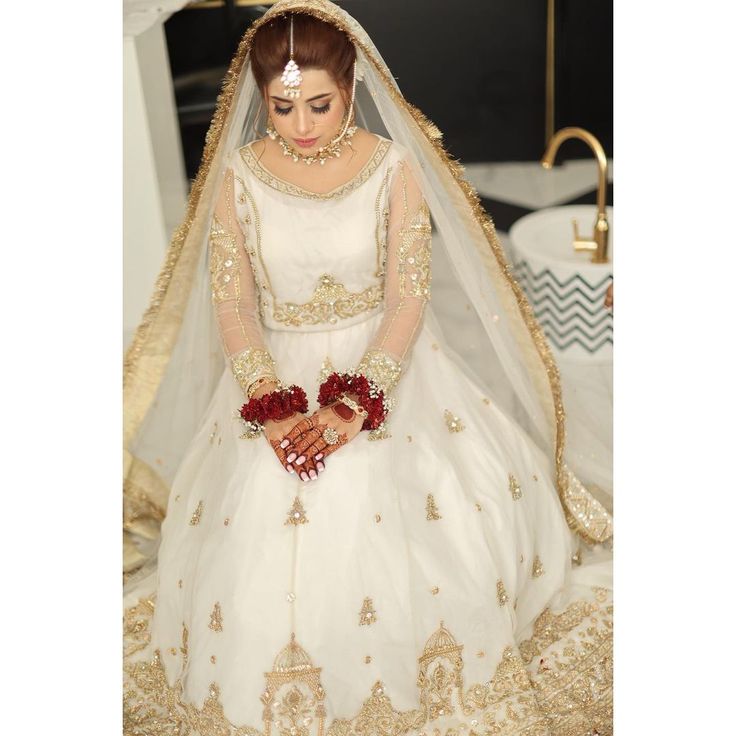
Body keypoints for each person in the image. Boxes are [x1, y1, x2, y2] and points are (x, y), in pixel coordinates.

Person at [123, 2, 613, 733]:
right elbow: (233, 307)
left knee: (406, 508)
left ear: (353, 85)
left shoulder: (392, 169)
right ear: (260, 101)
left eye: (319, 103)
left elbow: (408, 299)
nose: (301, 124)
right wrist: (272, 402)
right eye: (281, 107)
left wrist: (358, 401)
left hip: (385, 368)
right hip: (276, 374)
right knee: (261, 508)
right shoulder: (239, 177)